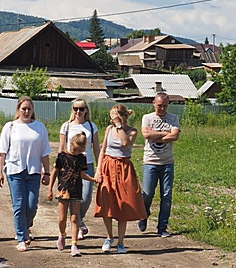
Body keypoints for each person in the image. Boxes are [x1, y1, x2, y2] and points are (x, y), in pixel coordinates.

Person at [0, 96, 52, 252]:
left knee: (31, 205)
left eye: (29, 109)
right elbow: (2, 152)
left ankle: (26, 226)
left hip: (33, 171)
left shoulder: (39, 127)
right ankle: (21, 237)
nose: (26, 112)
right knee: (19, 205)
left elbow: (44, 152)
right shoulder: (10, 126)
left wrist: (47, 172)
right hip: (15, 170)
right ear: (18, 110)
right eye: (24, 109)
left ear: (33, 110)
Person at [93, 104, 147, 254]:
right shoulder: (109, 130)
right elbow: (103, 149)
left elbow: (124, 143)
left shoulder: (132, 131)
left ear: (122, 117)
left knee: (124, 203)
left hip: (123, 168)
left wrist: (119, 125)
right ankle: (109, 237)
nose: (112, 119)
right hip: (108, 166)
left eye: (114, 116)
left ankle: (121, 242)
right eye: (111, 117)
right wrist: (98, 170)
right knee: (107, 203)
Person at [48, 132, 99, 257]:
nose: (75, 152)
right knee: (62, 218)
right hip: (63, 190)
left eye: (79, 150)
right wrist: (50, 188)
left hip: (76, 190)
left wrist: (93, 179)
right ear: (70, 144)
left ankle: (74, 244)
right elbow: (55, 172)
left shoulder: (82, 158)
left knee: (75, 218)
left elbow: (81, 174)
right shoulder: (62, 156)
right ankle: (62, 234)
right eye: (74, 149)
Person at [139, 92, 181, 237]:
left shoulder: (174, 118)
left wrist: (156, 135)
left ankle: (162, 227)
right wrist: (165, 134)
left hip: (167, 162)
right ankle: (144, 215)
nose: (162, 109)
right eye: (159, 106)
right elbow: (146, 135)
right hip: (150, 161)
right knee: (147, 194)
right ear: (153, 103)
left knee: (166, 195)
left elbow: (175, 136)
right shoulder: (147, 118)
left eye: (164, 106)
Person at [58, 99, 101, 241]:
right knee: (72, 197)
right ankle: (77, 224)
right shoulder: (66, 126)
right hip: (70, 167)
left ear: (86, 110)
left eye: (81, 109)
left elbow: (96, 149)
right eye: (75, 108)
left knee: (86, 197)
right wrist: (61, 167)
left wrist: (99, 167)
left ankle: (79, 220)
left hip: (87, 164)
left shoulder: (91, 126)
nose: (78, 111)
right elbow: (62, 147)